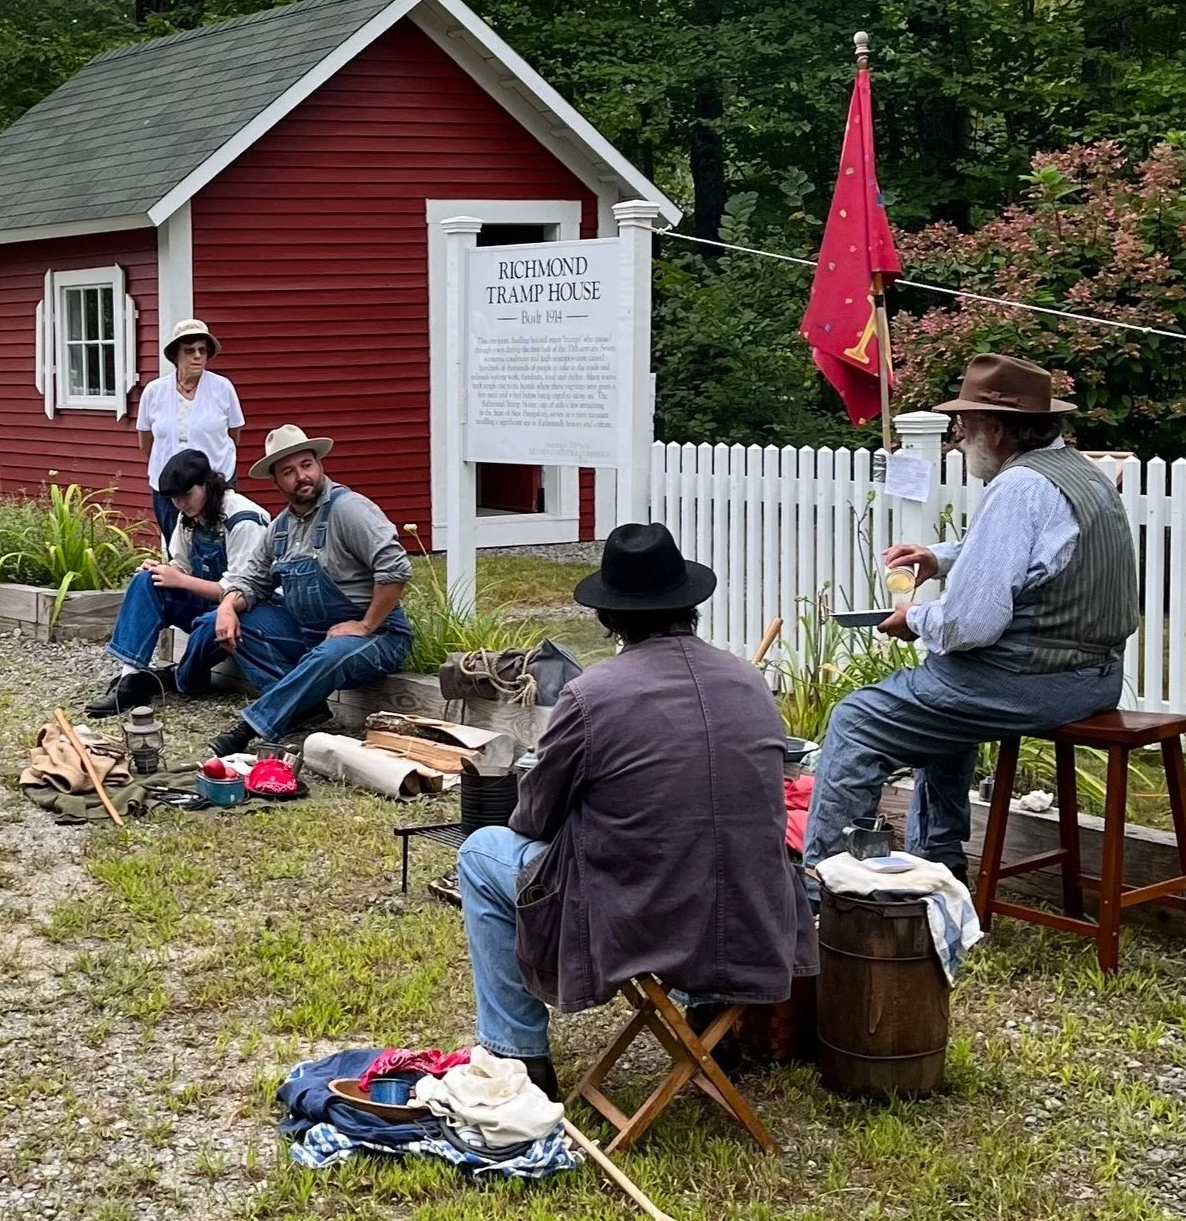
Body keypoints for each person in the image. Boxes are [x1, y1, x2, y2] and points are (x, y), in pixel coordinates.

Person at [456, 523, 808, 1102]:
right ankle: (711, 1023)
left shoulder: (593, 694)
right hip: (751, 910)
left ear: (609, 618)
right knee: (704, 849)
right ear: (690, 604)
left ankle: (518, 1055)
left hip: (637, 916)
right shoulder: (750, 681)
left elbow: (534, 819)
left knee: (480, 852)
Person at [803, 352, 1139, 880]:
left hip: (1031, 680)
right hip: (1096, 678)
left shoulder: (1017, 488)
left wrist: (913, 619)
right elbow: (1041, 553)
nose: (958, 436)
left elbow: (970, 625)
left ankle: (825, 887)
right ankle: (938, 865)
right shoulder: (1082, 473)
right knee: (942, 706)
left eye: (965, 423)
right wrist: (940, 558)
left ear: (998, 429)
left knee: (857, 721)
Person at [202, 425, 413, 756]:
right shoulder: (280, 529)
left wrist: (366, 625)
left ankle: (249, 728)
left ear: (319, 465)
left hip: (379, 636)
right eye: (288, 471)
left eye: (306, 465)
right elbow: (253, 581)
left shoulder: (349, 509)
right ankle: (305, 708)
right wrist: (227, 607)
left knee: (329, 654)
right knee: (246, 622)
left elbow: (395, 568)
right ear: (276, 481)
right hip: (315, 636)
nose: (302, 476)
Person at [84, 450, 269, 717]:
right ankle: (129, 679)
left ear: (207, 484)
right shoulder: (189, 515)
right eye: (173, 498)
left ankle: (176, 678)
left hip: (249, 611)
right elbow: (181, 564)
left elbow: (241, 589)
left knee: (210, 625)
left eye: (185, 495)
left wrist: (180, 579)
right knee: (147, 580)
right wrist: (164, 571)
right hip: (209, 603)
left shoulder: (244, 520)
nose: (180, 504)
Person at [136, 320, 244, 544]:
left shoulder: (223, 388)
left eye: (202, 351)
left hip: (216, 483)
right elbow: (146, 441)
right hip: (168, 487)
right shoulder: (154, 392)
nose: (197, 356)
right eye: (190, 350)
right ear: (176, 355)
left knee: (217, 544)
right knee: (175, 546)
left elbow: (234, 435)